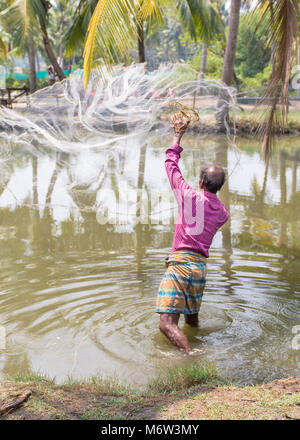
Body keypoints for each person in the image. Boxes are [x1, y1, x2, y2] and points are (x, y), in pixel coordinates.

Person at [156, 113, 229, 355]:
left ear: (200, 182)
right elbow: (216, 214)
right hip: (200, 268)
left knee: (166, 324)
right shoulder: (223, 213)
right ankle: (196, 344)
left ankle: (190, 355)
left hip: (180, 265)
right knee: (191, 321)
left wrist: (178, 135)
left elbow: (170, 164)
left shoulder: (189, 196)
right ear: (219, 187)